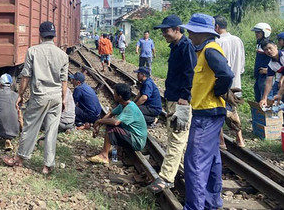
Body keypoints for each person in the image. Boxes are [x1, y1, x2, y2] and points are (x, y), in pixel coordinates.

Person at [181, 13, 233, 210]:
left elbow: (226, 74)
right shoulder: (203, 51)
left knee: (194, 161)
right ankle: (212, 202)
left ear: (200, 32)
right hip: (208, 113)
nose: (189, 33)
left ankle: (195, 206)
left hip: (207, 113)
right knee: (211, 159)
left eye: (191, 30)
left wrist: (218, 92)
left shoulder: (210, 51)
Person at [3, 21, 69, 174]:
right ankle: (48, 165)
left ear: (40, 34)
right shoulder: (63, 55)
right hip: (56, 97)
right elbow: (64, 80)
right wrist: (64, 99)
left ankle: (20, 158)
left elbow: (26, 76)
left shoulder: (33, 51)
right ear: (54, 35)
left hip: (40, 95)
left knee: (30, 126)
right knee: (52, 131)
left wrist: (20, 95)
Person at [148, 15, 197, 193]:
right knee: (175, 136)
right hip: (173, 98)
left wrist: (184, 97)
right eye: (162, 31)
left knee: (177, 137)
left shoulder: (186, 47)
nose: (164, 34)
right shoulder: (176, 47)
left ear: (177, 29)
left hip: (180, 101)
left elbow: (190, 73)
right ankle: (182, 169)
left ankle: (166, 177)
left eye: (166, 31)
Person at [88, 83, 147, 164]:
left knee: (112, 127)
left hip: (137, 141)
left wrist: (99, 121)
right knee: (115, 124)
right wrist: (98, 126)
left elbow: (115, 122)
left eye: (115, 93)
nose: (113, 94)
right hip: (132, 135)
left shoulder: (130, 108)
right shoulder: (123, 104)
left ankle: (104, 156)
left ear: (120, 97)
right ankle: (118, 153)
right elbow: (110, 114)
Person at [214, 15, 245, 148]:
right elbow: (242, 64)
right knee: (233, 111)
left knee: (218, 111)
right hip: (236, 82)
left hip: (222, 83)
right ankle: (240, 139)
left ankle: (221, 142)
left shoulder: (216, 42)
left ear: (216, 27)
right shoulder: (238, 40)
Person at [259, 40, 284, 108]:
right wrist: (264, 98)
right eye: (266, 50)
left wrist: (280, 92)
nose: (269, 51)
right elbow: (269, 82)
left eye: (270, 48)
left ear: (275, 46)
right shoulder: (271, 65)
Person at [252, 22, 272, 102]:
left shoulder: (268, 45)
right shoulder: (260, 44)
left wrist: (268, 70)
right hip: (259, 77)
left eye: (258, 32)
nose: (256, 34)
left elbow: (278, 60)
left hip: (265, 78)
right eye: (255, 32)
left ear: (265, 32)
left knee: (265, 101)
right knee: (258, 100)